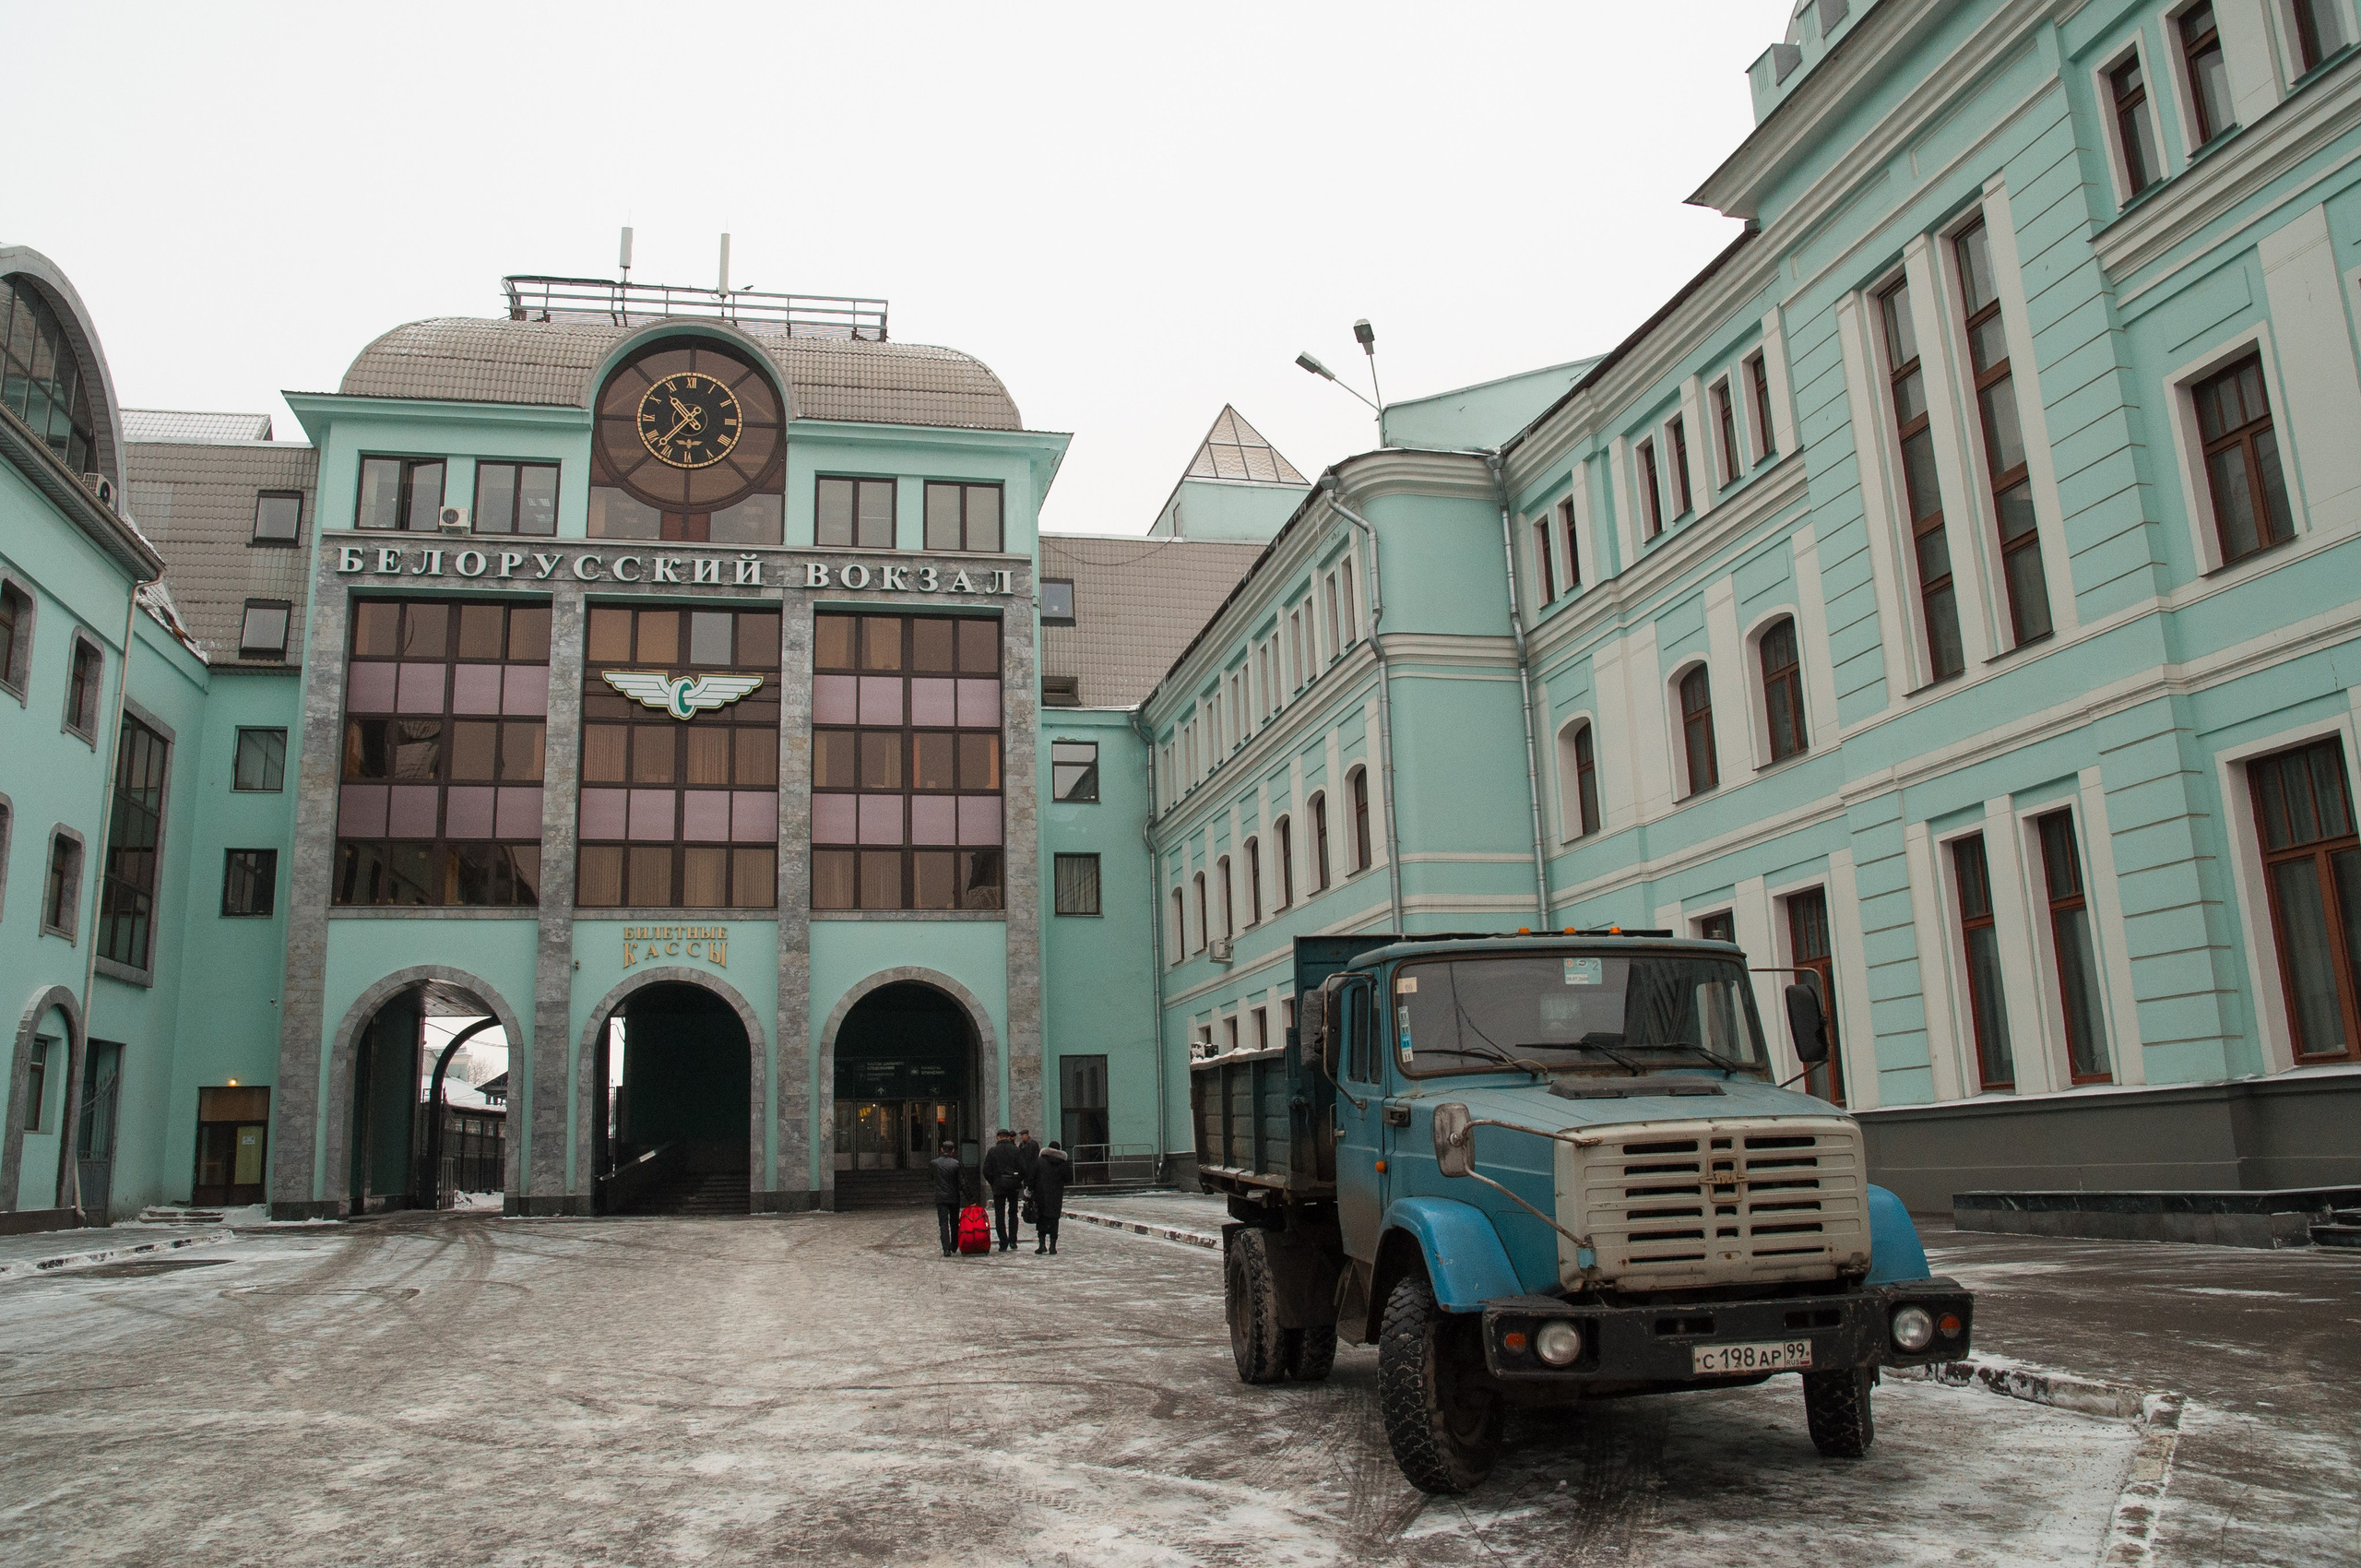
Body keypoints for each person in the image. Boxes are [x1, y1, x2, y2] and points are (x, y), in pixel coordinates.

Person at [980, 1128, 1023, 1253]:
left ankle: (1003, 1242)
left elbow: (986, 1171)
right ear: (1009, 1137)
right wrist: (1018, 1180)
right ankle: (1013, 1240)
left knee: (1000, 1214)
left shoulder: (992, 1151)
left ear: (998, 1138)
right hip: (1013, 1185)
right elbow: (1024, 1168)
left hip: (998, 1186)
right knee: (1013, 1213)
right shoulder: (1016, 1150)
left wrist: (993, 1182)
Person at [1032, 1139, 1071, 1254]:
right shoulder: (1062, 1163)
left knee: (1041, 1218)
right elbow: (1069, 1178)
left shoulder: (1039, 1161)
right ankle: (1053, 1246)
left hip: (1041, 1195)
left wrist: (1029, 1190)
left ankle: (1042, 1245)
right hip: (1056, 1196)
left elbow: (1031, 1177)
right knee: (1054, 1220)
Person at [930, 1140, 965, 1257]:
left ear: (941, 1150)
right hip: (954, 1197)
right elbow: (962, 1182)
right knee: (955, 1222)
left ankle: (946, 1248)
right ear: (953, 1151)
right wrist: (971, 1198)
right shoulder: (956, 1164)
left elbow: (930, 1177)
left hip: (941, 1197)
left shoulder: (934, 1163)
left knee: (943, 1223)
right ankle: (954, 1245)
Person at [1015, 1128, 1041, 1194]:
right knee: (1026, 1185)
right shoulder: (1022, 1144)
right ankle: (1027, 1199)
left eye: (1022, 1135)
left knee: (1031, 1185)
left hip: (1031, 1168)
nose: (1021, 1137)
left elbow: (1036, 1156)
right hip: (1025, 1168)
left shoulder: (1033, 1144)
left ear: (1026, 1135)